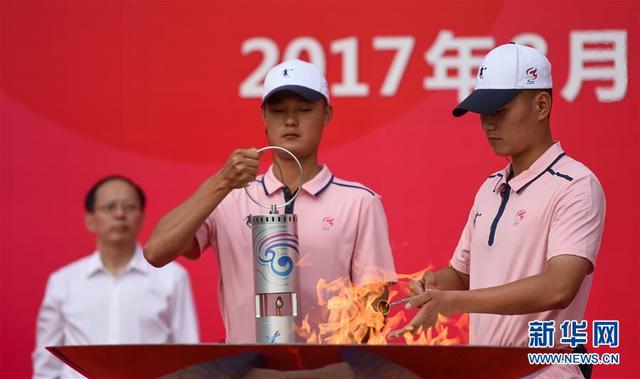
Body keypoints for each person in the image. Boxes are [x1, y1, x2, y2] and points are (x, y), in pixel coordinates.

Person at [389, 43, 605, 378]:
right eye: (484, 113)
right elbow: (462, 276)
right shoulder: (489, 187)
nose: (488, 124)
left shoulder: (575, 184)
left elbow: (559, 287)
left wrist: (454, 303)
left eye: (500, 110)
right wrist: (433, 284)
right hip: (485, 371)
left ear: (541, 104)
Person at [144, 59, 397, 343]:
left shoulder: (359, 203)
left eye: (304, 109)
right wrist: (222, 182)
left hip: (326, 373)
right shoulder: (230, 196)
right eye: (278, 111)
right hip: (246, 369)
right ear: (263, 116)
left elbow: (375, 310)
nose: (290, 120)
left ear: (327, 113)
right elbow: (156, 252)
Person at [33, 176, 199, 378]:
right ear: (90, 220)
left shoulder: (172, 277)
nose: (120, 214)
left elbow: (188, 351)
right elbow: (46, 361)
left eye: (129, 207)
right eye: (110, 207)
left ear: (142, 216)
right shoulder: (63, 282)